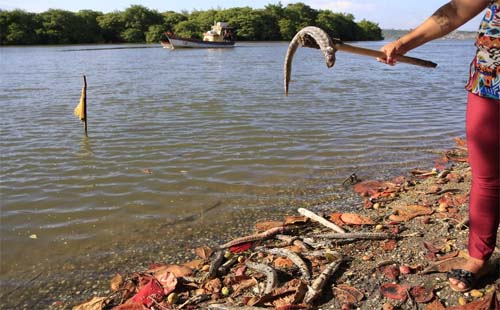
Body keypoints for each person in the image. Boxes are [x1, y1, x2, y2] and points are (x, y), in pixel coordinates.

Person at [379, 0, 499, 292]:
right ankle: (478, 257)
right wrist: (405, 43)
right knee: (487, 176)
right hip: (491, 80)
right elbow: (456, 11)